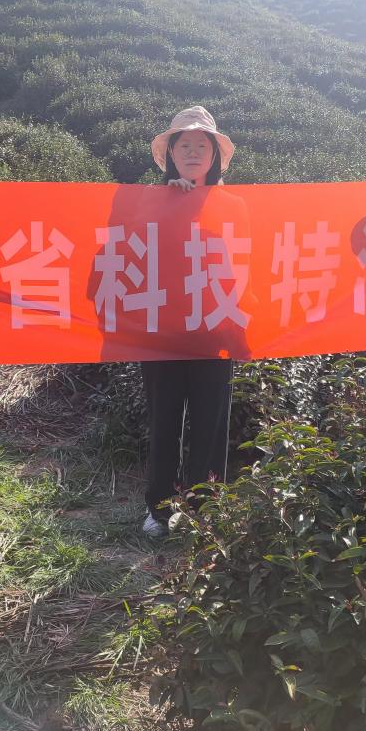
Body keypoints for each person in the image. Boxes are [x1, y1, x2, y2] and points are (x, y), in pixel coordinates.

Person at [141, 106, 241, 538]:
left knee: (211, 422)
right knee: (164, 420)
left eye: (203, 145)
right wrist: (169, 203)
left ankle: (205, 508)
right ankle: (159, 508)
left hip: (215, 327)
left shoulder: (233, 206)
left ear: (215, 155)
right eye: (185, 145)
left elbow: (244, 264)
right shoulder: (148, 202)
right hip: (161, 331)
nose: (194, 152)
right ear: (171, 154)